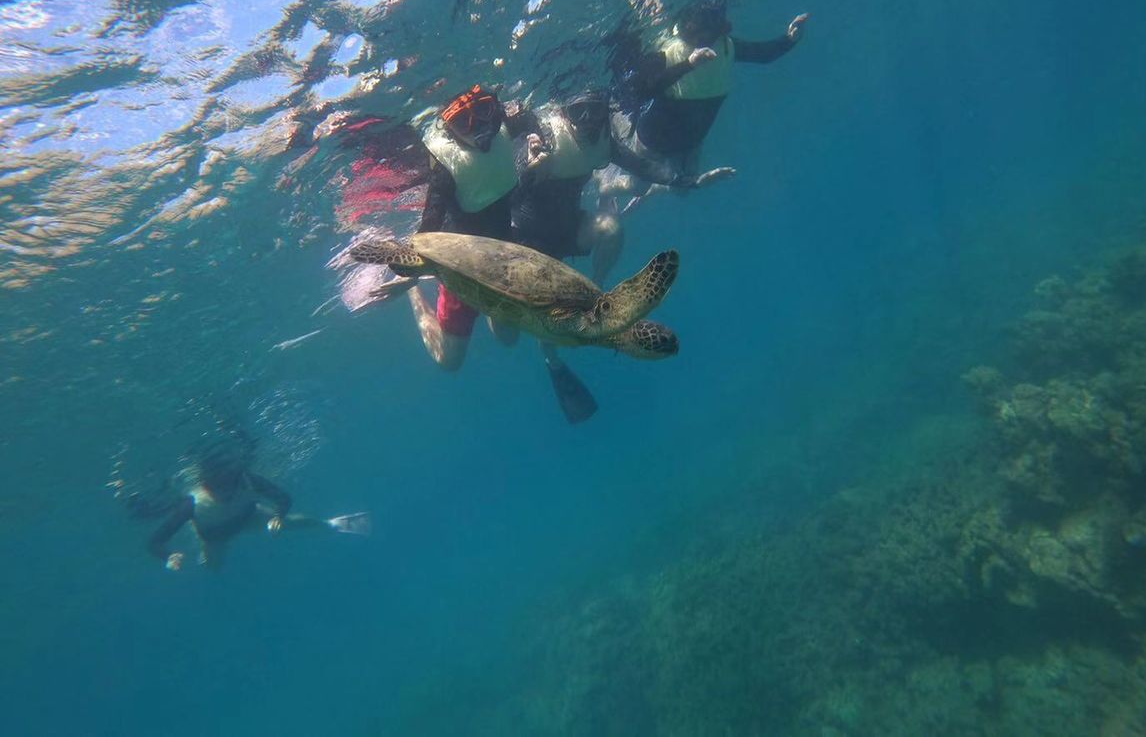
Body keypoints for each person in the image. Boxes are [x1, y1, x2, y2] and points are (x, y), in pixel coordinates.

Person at [505, 90, 732, 422]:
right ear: (564, 113)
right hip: (529, 236)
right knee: (522, 327)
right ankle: (553, 362)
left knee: (611, 229)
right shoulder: (542, 137)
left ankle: (595, 294)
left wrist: (689, 180)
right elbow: (509, 190)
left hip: (569, 226)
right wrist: (529, 168)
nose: (587, 121)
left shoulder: (602, 142)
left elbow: (643, 166)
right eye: (578, 112)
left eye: (595, 111)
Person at [385, 84, 544, 371]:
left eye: (483, 110)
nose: (477, 125)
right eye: (462, 121)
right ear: (450, 131)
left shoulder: (506, 125)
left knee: (508, 338)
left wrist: (535, 136)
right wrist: (409, 274)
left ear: (495, 109)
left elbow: (529, 117)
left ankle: (490, 306)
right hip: (459, 267)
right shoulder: (445, 169)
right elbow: (428, 227)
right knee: (450, 361)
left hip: (500, 254)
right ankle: (415, 295)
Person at [609, 0, 808, 210]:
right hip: (653, 141)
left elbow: (762, 54)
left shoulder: (727, 48)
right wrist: (688, 64)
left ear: (718, 31)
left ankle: (652, 189)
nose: (700, 42)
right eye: (695, 35)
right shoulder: (668, 53)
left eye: (706, 35)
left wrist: (790, 39)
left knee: (681, 191)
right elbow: (640, 91)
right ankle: (606, 186)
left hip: (691, 142)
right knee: (637, 186)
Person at [145, 429, 369, 572]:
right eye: (219, 482)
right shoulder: (191, 504)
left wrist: (279, 516)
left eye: (228, 477)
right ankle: (204, 557)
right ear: (206, 481)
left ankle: (332, 524)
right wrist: (168, 557)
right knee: (213, 567)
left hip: (251, 516)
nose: (226, 487)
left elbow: (283, 498)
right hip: (215, 537)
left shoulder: (247, 479)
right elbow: (154, 542)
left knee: (290, 522)